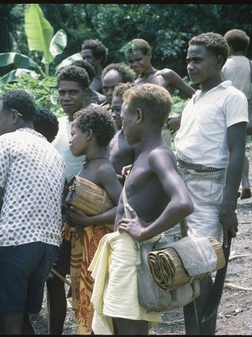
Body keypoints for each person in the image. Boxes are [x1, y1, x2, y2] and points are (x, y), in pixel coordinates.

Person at [89, 83, 194, 334]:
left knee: (129, 328)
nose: (120, 121)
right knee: (117, 324)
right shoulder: (145, 154)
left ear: (138, 116)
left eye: (124, 114)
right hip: (126, 252)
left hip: (133, 254)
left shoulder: (158, 154)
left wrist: (145, 232)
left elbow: (183, 202)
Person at [175, 32, 248, 335]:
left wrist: (228, 206)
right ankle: (193, 329)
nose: (190, 65)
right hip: (183, 186)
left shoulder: (232, 97)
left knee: (201, 264)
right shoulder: (195, 97)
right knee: (185, 267)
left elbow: (236, 153)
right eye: (188, 60)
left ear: (218, 61)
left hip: (209, 189)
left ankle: (203, 331)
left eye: (197, 60)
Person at [0, 90, 65, 334]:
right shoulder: (53, 152)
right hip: (47, 247)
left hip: (14, 244)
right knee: (20, 318)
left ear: (14, 116)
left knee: (8, 322)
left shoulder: (5, 142)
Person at [62, 104, 123, 334]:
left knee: (98, 301)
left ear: (88, 135)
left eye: (73, 133)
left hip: (97, 247)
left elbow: (122, 207)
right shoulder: (89, 166)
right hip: (83, 246)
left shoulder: (103, 169)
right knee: (86, 299)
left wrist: (89, 221)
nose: (70, 140)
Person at [47, 65, 90, 335]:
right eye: (62, 92)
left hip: (88, 212)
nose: (66, 97)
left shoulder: (95, 122)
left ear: (85, 93)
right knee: (54, 277)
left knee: (86, 278)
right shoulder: (57, 125)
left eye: (73, 92)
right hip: (59, 213)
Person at [123, 38, 196, 147]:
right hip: (139, 135)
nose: (135, 64)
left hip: (161, 132)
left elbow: (196, 97)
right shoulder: (134, 84)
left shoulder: (165, 75)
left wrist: (180, 119)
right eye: (131, 61)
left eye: (138, 59)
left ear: (148, 54)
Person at [222, 29, 252, 200]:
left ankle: (227, 187)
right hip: (243, 111)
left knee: (225, 150)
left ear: (230, 46)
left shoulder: (224, 64)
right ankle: (245, 182)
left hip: (226, 108)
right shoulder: (251, 65)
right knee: (240, 149)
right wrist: (251, 103)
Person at [105, 82, 139, 182]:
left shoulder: (136, 140)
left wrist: (103, 176)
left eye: (118, 110)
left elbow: (136, 179)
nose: (114, 114)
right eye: (112, 109)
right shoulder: (111, 134)